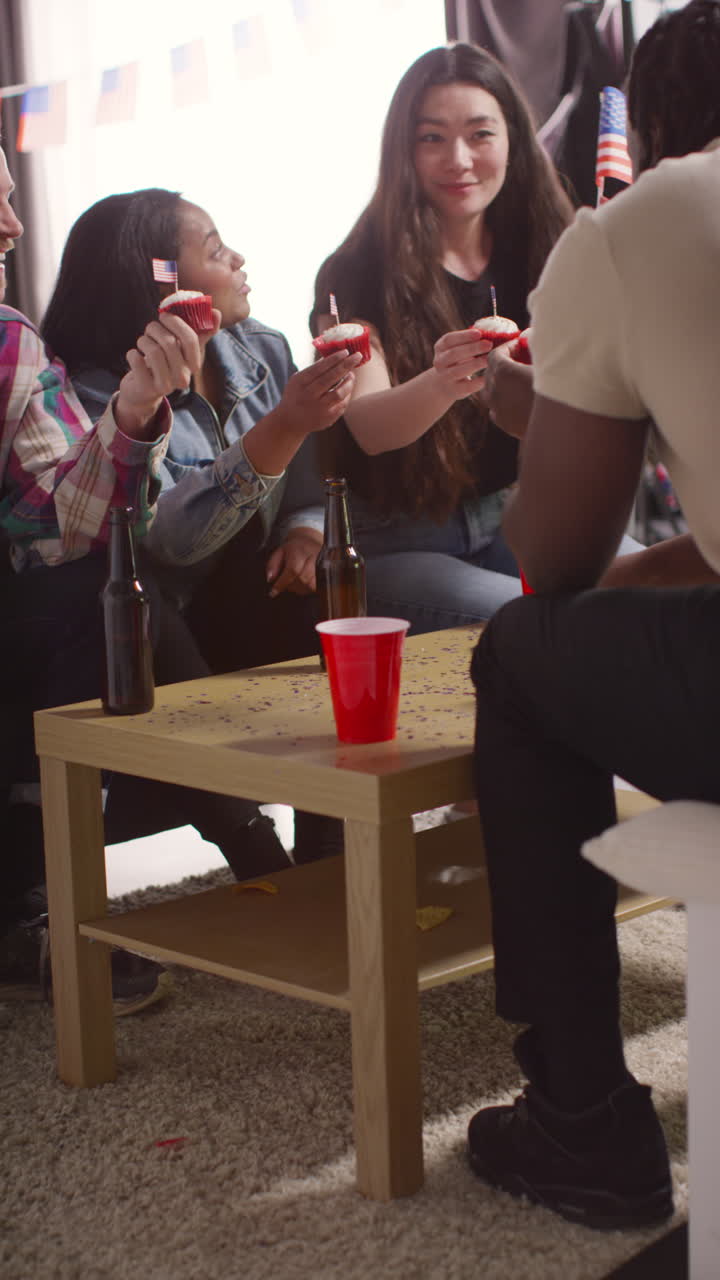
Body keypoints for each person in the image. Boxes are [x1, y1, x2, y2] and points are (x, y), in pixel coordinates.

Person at [466, 0, 720, 1231]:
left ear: (654, 122)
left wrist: (548, 411)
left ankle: (581, 1115)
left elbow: (551, 556)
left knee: (514, 653)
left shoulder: (638, 224)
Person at [40, 188, 360, 863]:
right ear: (165, 285)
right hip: (162, 627)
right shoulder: (102, 389)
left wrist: (305, 531)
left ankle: (332, 838)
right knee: (133, 593)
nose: (238, 258)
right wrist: (285, 424)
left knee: (324, 588)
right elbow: (167, 542)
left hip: (239, 601)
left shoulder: (262, 350)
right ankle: (251, 845)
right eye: (215, 250)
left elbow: (309, 476)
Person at [0, 135, 206, 1012]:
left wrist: (131, 412)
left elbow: (64, 519)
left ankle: (28, 914)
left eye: (11, 199)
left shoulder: (10, 343)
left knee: (106, 593)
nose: (12, 227)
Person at [304, 42, 577, 634]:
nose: (459, 159)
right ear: (403, 149)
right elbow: (371, 427)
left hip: (513, 515)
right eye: (432, 138)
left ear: (514, 141)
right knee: (548, 622)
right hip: (396, 542)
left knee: (659, 592)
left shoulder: (552, 245)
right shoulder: (352, 272)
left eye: (480, 134)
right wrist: (444, 380)